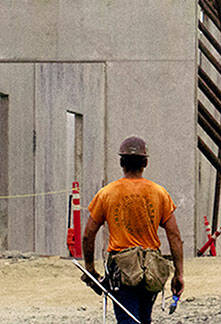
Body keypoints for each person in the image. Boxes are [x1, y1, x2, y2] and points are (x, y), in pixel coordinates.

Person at [81, 136, 184, 324]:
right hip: (151, 270)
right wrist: (179, 273)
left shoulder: (107, 194)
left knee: (127, 319)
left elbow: (88, 235)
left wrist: (90, 269)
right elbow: (174, 235)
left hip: (122, 270)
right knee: (144, 319)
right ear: (145, 162)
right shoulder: (159, 193)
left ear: (121, 162)